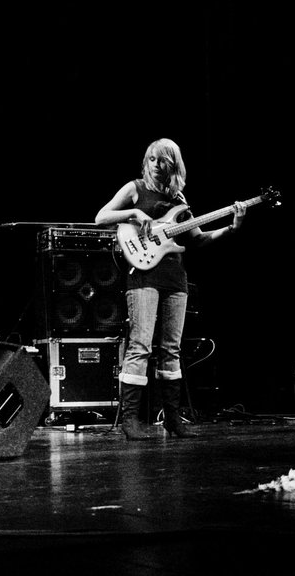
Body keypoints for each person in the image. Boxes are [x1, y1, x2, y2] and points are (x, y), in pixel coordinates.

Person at [95, 138, 246, 440]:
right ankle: (130, 419)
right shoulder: (135, 188)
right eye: (151, 158)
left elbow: (198, 238)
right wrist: (133, 214)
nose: (155, 164)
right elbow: (101, 217)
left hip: (175, 278)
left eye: (161, 159)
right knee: (140, 345)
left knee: (171, 348)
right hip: (144, 275)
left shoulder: (179, 200)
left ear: (173, 164)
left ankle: (173, 418)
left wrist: (232, 227)